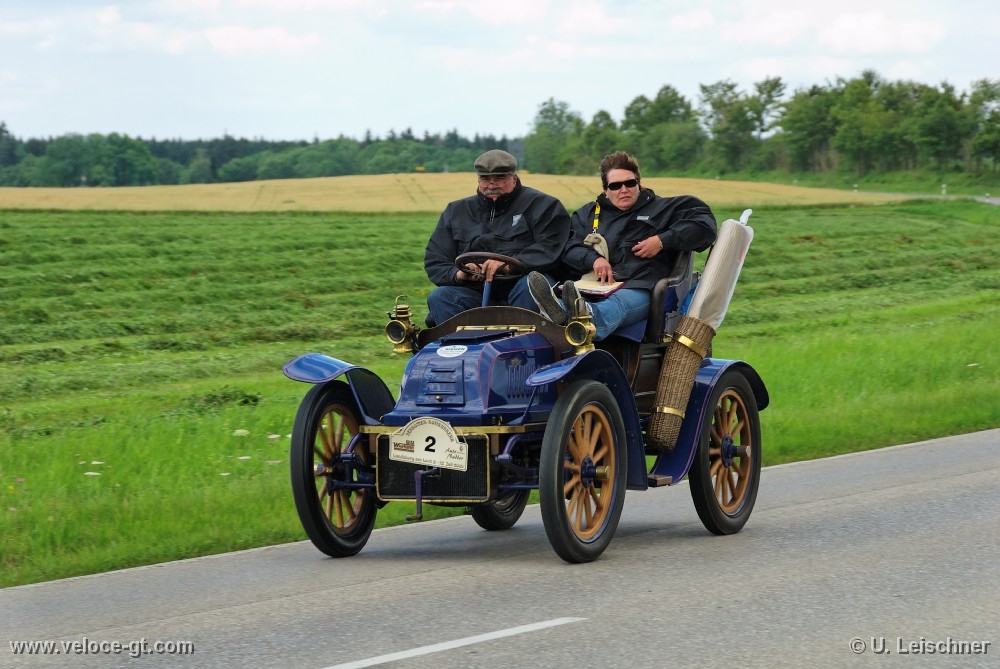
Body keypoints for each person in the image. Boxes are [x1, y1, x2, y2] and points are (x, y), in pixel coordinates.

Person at [528, 151, 717, 340]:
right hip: (594, 285)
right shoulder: (587, 215)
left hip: (641, 287)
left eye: (630, 183)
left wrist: (662, 241)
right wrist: (593, 259)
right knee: (567, 292)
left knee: (618, 304)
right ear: (606, 190)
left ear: (638, 184)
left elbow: (704, 225)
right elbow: (569, 247)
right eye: (616, 186)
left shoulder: (665, 208)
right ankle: (563, 311)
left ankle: (588, 319)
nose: (624, 189)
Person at [424, 149, 571, 325]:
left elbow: (551, 248)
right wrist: (459, 273)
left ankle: (527, 340)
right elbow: (435, 260)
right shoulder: (456, 211)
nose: (492, 185)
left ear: (514, 178)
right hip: (475, 292)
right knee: (440, 297)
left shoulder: (545, 206)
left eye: (500, 178)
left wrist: (509, 265)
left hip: (522, 287)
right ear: (478, 179)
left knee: (531, 285)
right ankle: (462, 342)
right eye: (485, 179)